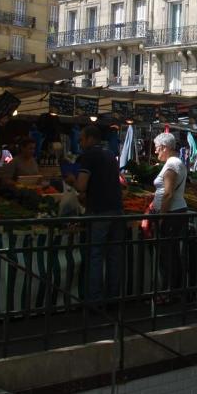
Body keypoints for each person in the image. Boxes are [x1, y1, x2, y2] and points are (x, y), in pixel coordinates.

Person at [74, 125, 124, 304]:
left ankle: (94, 299)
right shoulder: (110, 154)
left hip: (99, 211)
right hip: (117, 210)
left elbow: (81, 186)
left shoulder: (89, 156)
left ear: (89, 138)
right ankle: (114, 297)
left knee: (95, 255)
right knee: (114, 255)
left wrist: (72, 180)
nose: (80, 142)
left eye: (81, 139)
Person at [152, 131, 189, 301]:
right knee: (171, 254)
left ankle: (169, 293)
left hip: (172, 214)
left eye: (157, 148)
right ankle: (173, 291)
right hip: (175, 212)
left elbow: (168, 194)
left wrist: (161, 216)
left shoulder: (172, 164)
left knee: (168, 255)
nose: (155, 152)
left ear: (165, 147)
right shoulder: (175, 162)